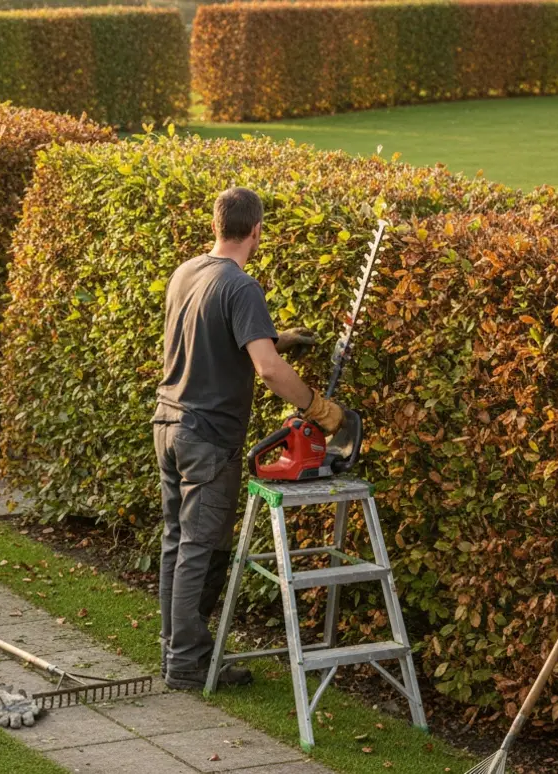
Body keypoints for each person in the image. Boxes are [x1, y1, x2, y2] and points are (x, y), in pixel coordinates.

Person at [153, 186, 344, 691]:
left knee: (178, 542)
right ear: (256, 230)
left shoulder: (187, 272)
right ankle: (187, 665)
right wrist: (319, 409)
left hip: (168, 424)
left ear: (217, 224)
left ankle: (177, 651)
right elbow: (267, 369)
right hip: (208, 435)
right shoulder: (241, 286)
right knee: (198, 546)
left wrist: (278, 337)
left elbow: (211, 335)